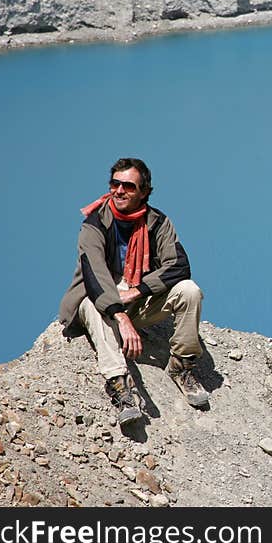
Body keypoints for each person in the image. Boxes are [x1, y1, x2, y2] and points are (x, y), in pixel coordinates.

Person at [59, 157, 209, 426]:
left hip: (137, 296)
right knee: (94, 305)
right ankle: (120, 386)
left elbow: (179, 266)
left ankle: (182, 365)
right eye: (115, 184)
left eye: (128, 186)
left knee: (189, 291)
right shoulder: (94, 223)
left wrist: (137, 291)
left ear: (144, 192)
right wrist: (121, 315)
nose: (119, 191)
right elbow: (94, 276)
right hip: (98, 300)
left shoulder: (158, 223)